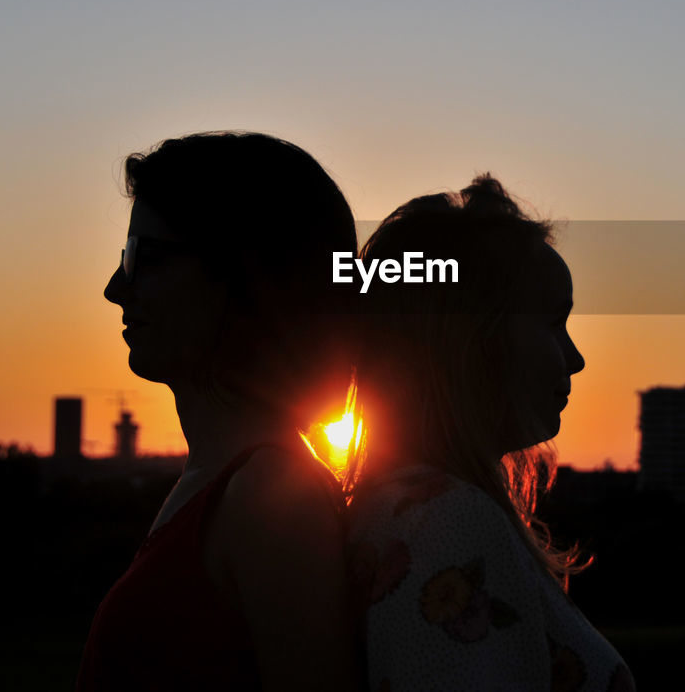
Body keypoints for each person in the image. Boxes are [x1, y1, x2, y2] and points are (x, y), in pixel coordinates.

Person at [77, 132, 360, 692]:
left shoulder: (271, 497)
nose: (115, 289)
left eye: (143, 259)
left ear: (244, 277)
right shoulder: (222, 483)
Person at [346, 175, 635, 692]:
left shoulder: (399, 508)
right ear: (470, 340)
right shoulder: (450, 521)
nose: (576, 359)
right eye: (553, 323)